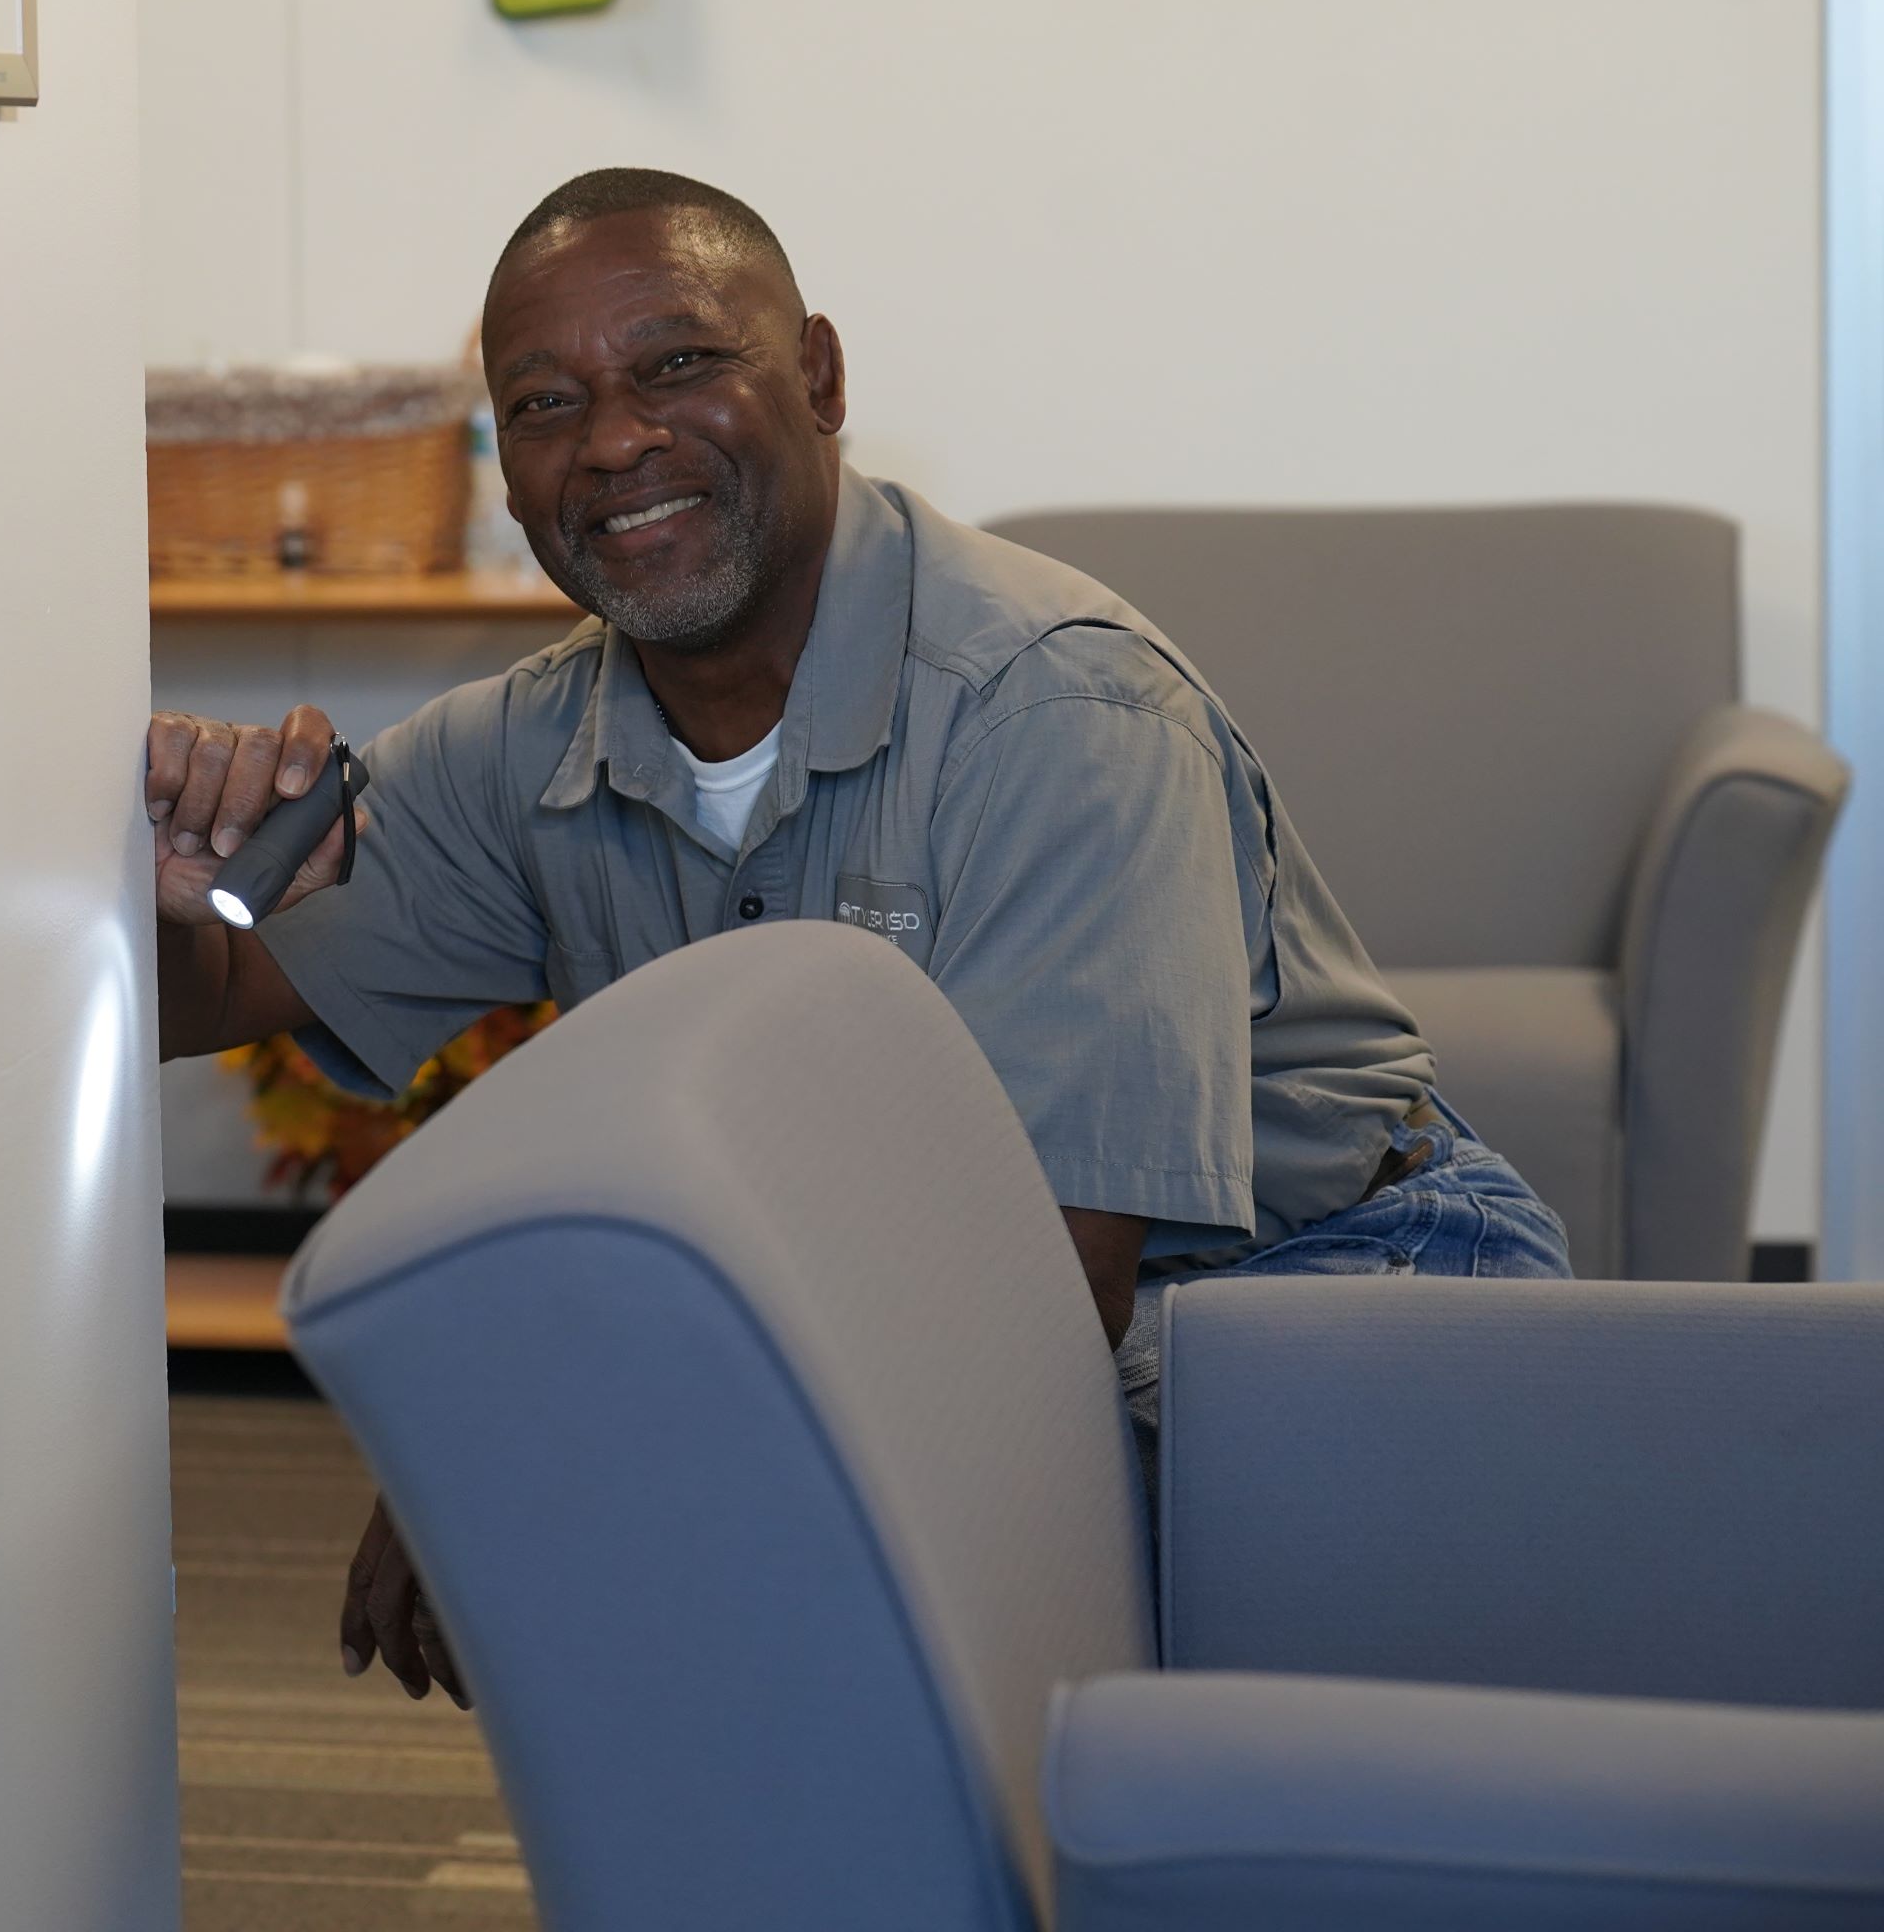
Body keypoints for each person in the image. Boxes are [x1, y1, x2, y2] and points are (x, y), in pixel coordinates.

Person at [146, 168, 1568, 1711]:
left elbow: (1030, 1305)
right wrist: (159, 878)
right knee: (768, 1608)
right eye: (548, 403)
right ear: (509, 471)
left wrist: (520, 1431)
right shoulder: (533, 744)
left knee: (967, 1694)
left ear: (817, 377)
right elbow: (208, 986)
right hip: (971, 1309)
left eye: (680, 364)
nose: (617, 439)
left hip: (1323, 1284)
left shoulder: (1060, 716)